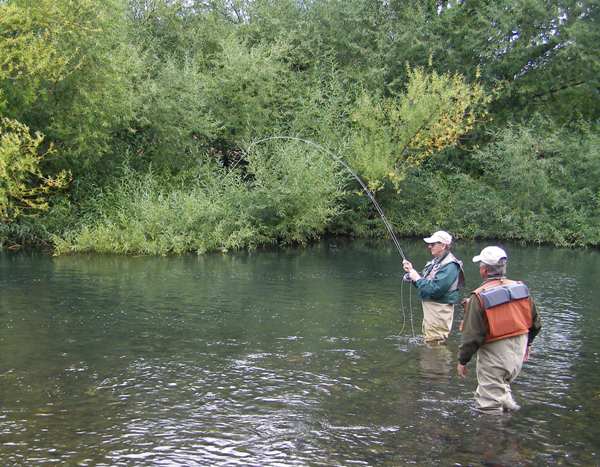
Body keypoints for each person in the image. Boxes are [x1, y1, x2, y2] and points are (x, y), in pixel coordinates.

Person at [457, 246, 542, 413]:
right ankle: (507, 427)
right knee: (502, 387)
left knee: (488, 404)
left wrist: (462, 361)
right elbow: (536, 323)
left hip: (496, 355)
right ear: (504, 267)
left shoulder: (478, 297)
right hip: (518, 351)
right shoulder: (521, 288)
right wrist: (528, 344)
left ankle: (492, 435)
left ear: (483, 270)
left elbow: (471, 336)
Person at [402, 230, 465, 344]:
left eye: (433, 244)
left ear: (443, 245)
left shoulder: (450, 265)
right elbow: (426, 285)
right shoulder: (436, 262)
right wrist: (412, 273)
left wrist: (416, 277)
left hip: (439, 310)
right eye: (429, 244)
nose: (429, 246)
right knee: (431, 341)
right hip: (433, 310)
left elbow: (435, 289)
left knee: (435, 343)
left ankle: (440, 361)